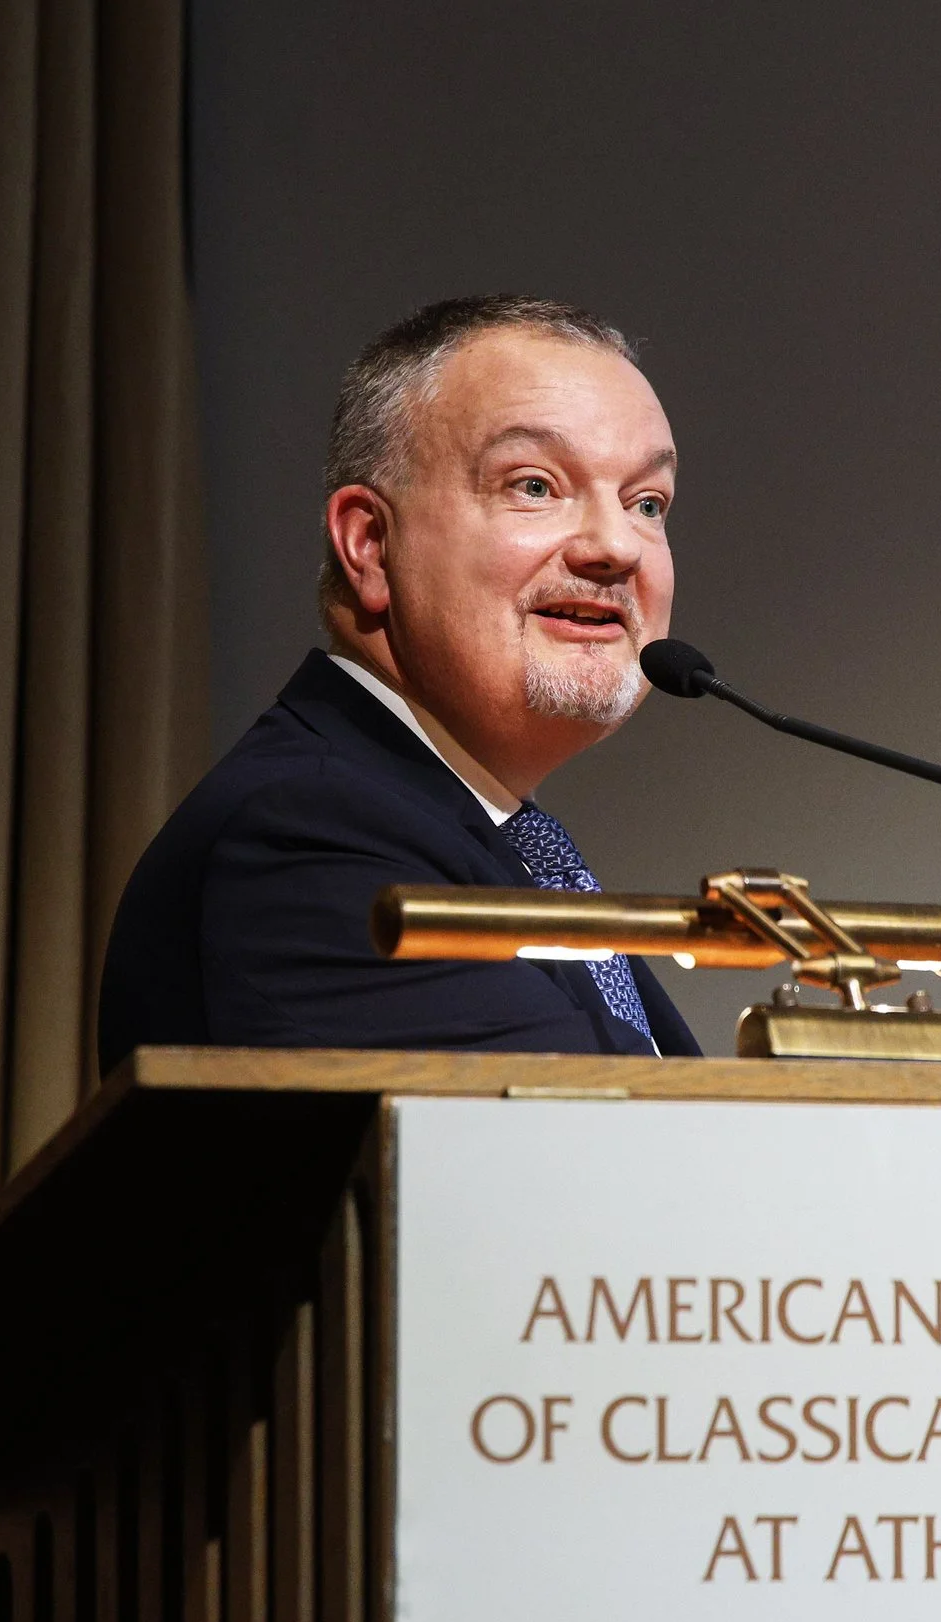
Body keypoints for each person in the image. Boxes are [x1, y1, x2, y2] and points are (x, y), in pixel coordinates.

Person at [99, 296, 703, 1071]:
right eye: (534, 486)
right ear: (371, 544)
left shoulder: (481, 837)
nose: (616, 546)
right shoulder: (307, 839)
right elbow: (590, 1166)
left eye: (646, 502)